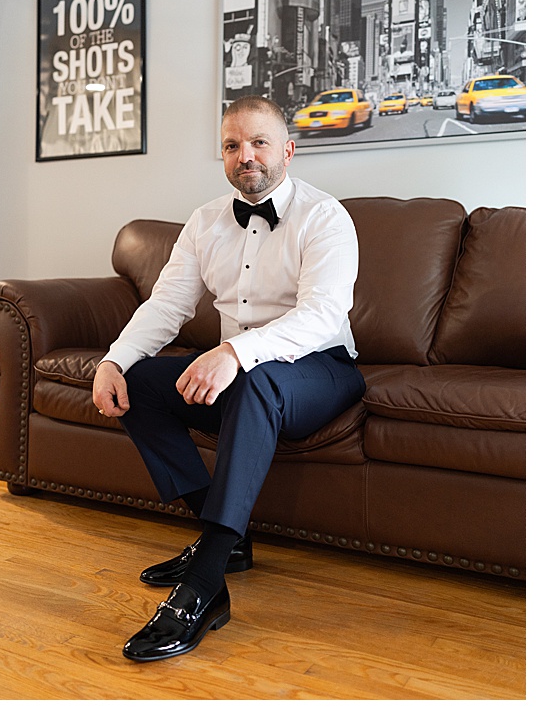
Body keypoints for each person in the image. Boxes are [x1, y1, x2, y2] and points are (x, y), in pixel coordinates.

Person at [92, 96, 364, 662]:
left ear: (288, 150)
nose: (247, 156)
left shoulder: (325, 217)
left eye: (259, 142)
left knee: (259, 382)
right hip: (241, 376)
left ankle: (202, 586)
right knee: (139, 386)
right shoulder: (204, 221)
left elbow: (320, 316)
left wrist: (236, 352)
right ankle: (229, 542)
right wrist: (115, 360)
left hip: (318, 371)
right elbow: (166, 306)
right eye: (232, 146)